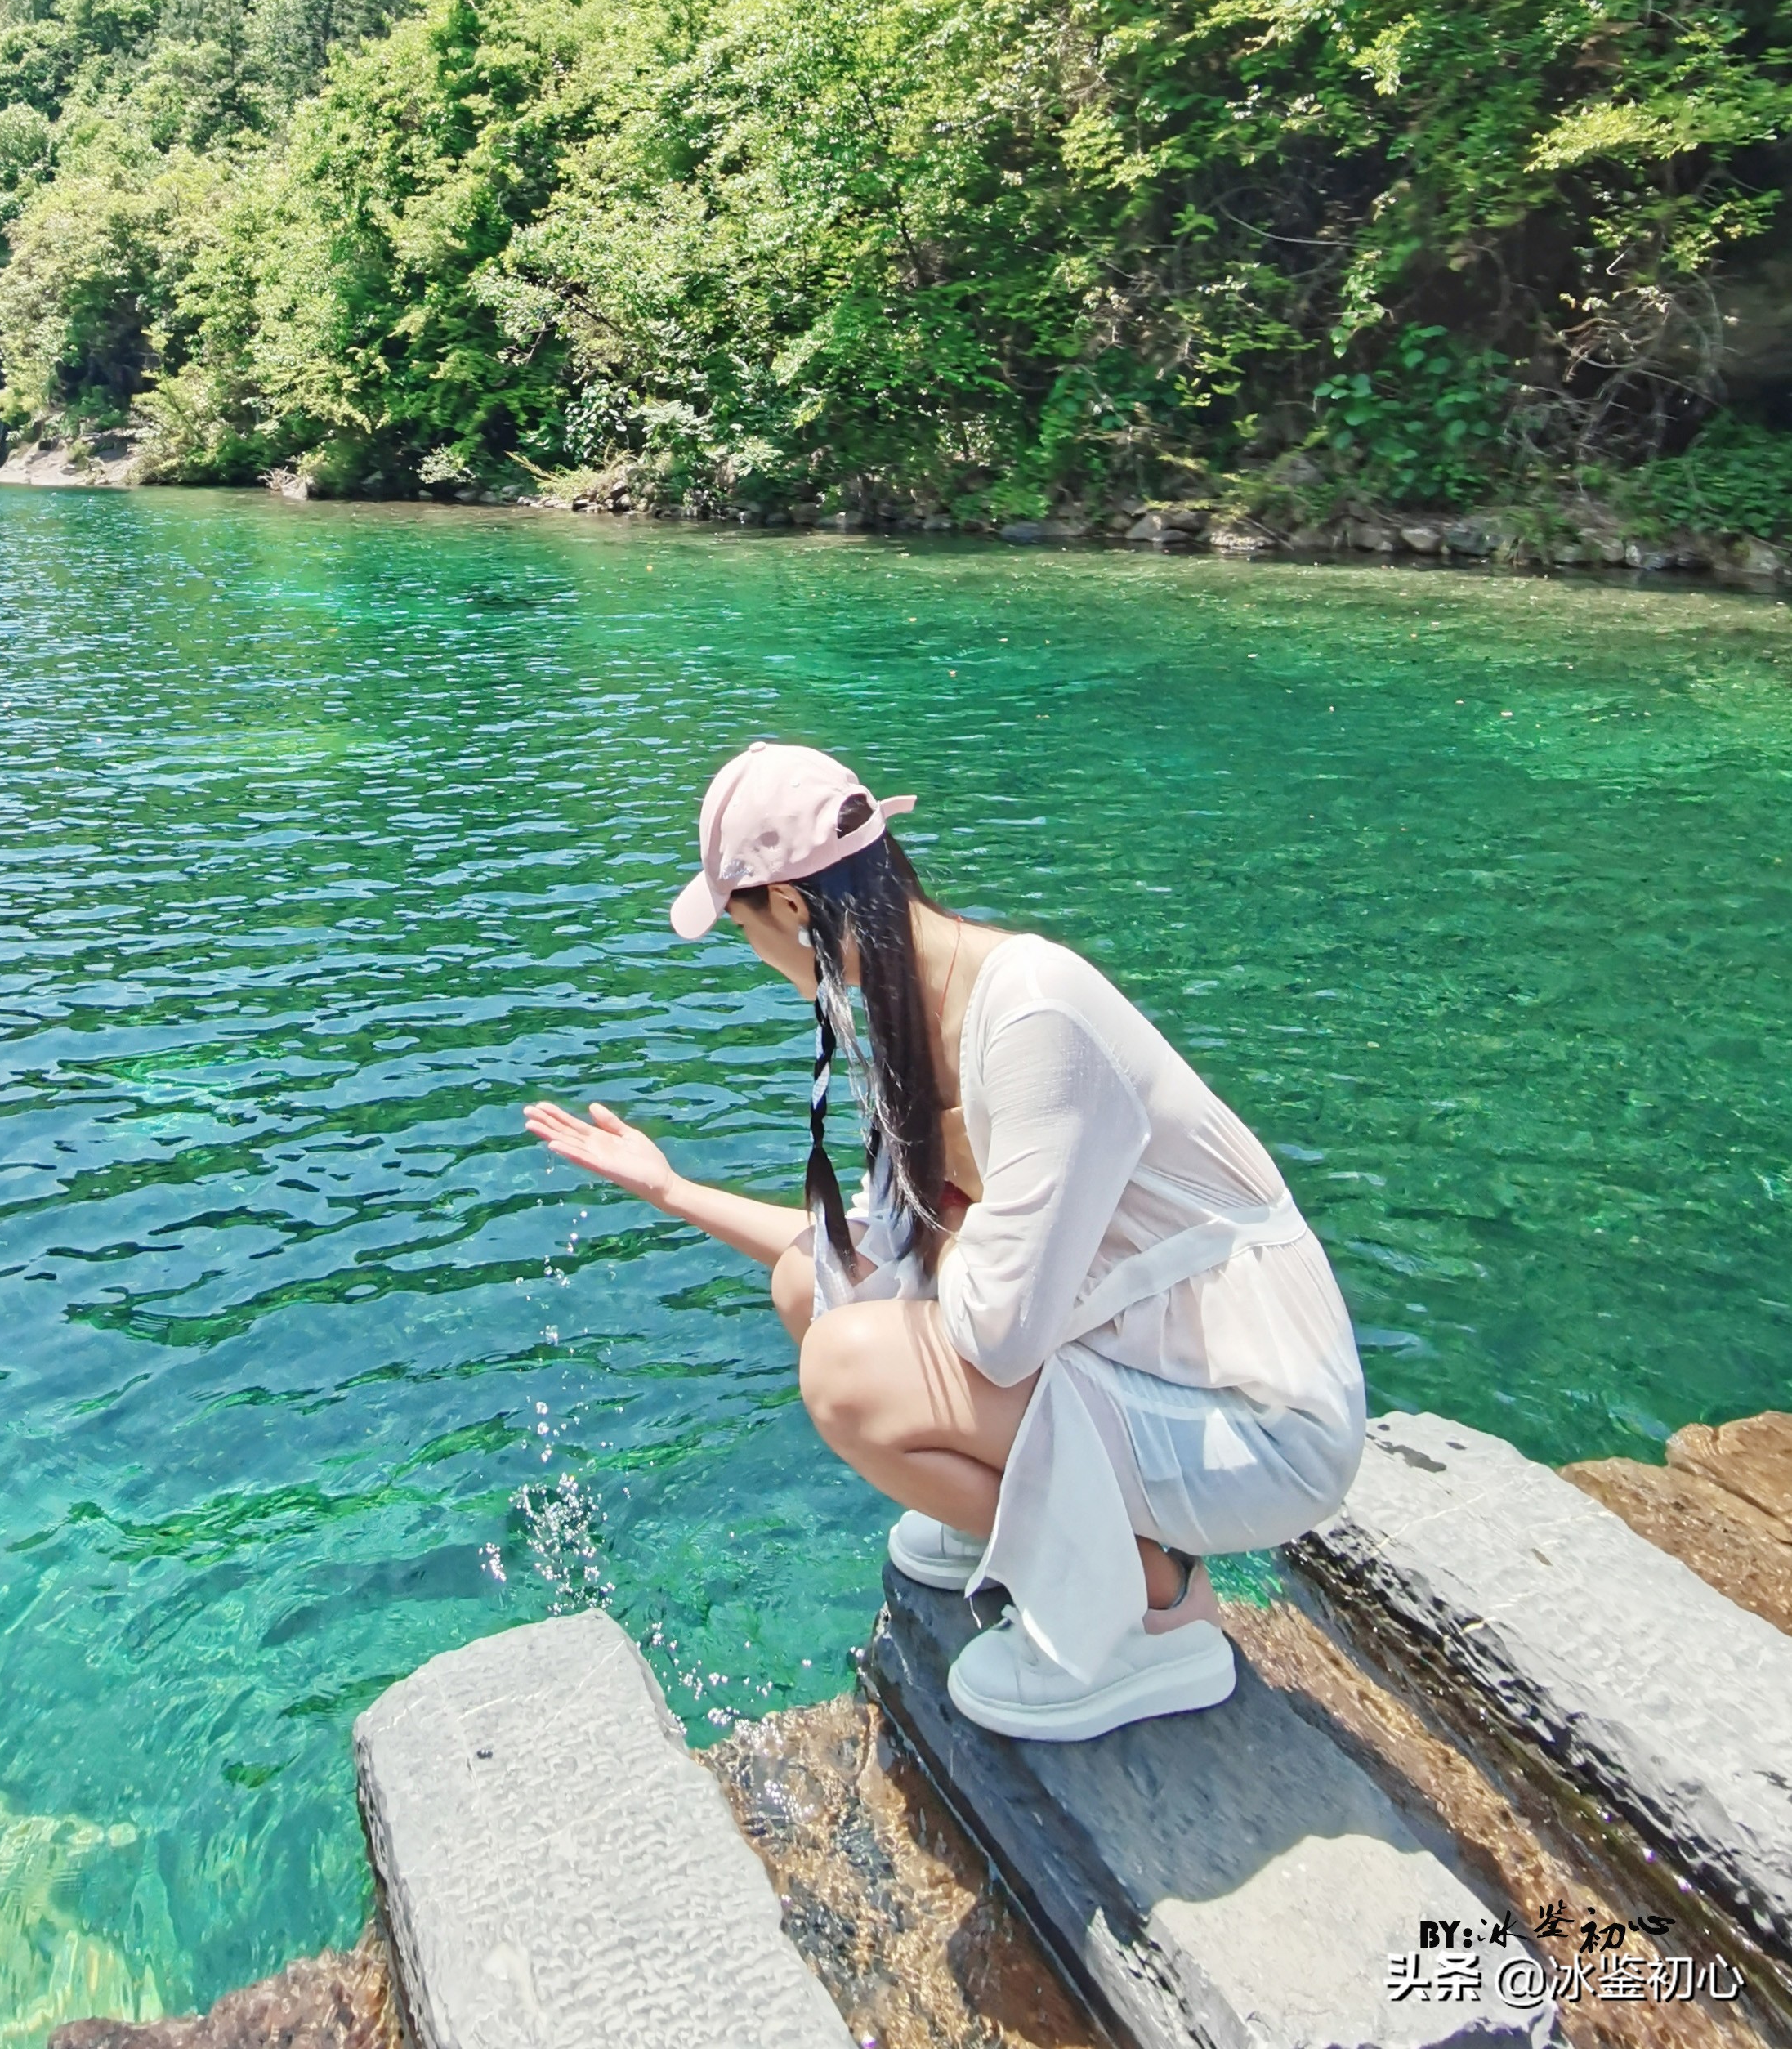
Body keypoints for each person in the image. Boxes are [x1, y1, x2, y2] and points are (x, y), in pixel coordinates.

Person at [525, 741, 1366, 1740]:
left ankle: (1152, 1610)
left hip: (1260, 1422)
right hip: (1152, 1366)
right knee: (811, 1290)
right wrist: (673, 1191)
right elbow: (868, 1255)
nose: (750, 953)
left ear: (792, 908)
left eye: (744, 924)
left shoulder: (1032, 1014)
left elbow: (999, 1331)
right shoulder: (916, 1008)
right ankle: (1039, 1529)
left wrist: (946, 1209)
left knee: (846, 1371)